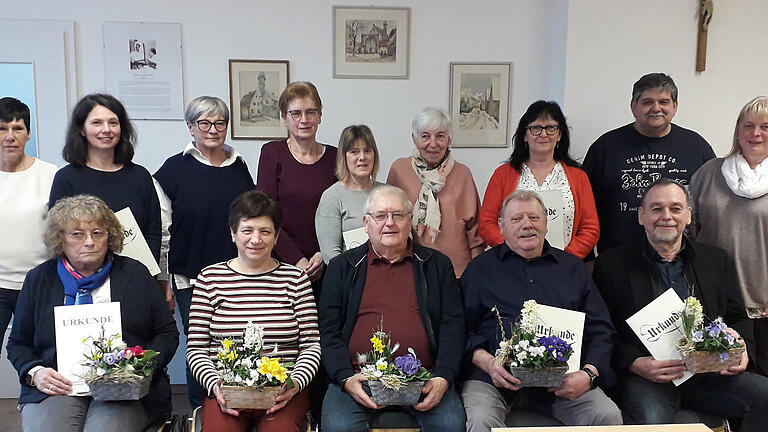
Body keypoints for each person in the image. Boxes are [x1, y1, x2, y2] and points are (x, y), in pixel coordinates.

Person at [592, 178, 768, 430]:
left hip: (708, 374)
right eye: (656, 209)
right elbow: (602, 330)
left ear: (688, 216)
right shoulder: (612, 265)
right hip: (648, 378)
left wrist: (743, 352)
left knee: (765, 396)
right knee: (653, 421)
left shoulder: (715, 260)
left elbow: (738, 317)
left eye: (676, 208)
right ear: (641, 216)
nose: (667, 216)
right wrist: (634, 363)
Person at [6, 195, 178, 431]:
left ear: (110, 237)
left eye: (98, 233)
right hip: (58, 387)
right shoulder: (39, 279)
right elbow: (18, 343)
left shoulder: (135, 274)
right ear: (60, 239)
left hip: (124, 390)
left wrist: (142, 365)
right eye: (77, 234)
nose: (89, 242)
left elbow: (167, 333)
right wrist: (36, 373)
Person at [462, 190, 621, 431]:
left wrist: (589, 374)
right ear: (501, 227)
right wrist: (487, 363)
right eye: (516, 219)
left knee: (606, 415)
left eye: (534, 218)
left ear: (546, 224)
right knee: (482, 420)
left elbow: (600, 330)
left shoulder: (573, 269)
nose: (527, 225)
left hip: (563, 381)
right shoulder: (478, 270)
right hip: (494, 379)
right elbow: (458, 329)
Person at [319, 185, 466, 432]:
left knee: (451, 424)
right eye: (380, 216)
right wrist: (345, 378)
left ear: (410, 221)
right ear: (366, 223)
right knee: (338, 427)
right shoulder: (341, 267)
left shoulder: (437, 265)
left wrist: (443, 377)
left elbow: (454, 326)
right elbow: (328, 331)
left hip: (424, 379)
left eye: (398, 215)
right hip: (359, 378)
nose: (390, 223)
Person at [186, 190, 320, 432]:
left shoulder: (296, 279)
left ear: (277, 236)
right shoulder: (209, 278)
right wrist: (216, 385)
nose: (256, 239)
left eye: (265, 231)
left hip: (283, 393)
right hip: (226, 390)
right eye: (247, 230)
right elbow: (196, 349)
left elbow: (311, 345)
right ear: (233, 233)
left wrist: (295, 384)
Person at [154, 95, 256, 409]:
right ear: (190, 127)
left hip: (238, 273)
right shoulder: (174, 168)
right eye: (204, 123)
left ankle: (237, 404)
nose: (213, 129)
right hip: (191, 276)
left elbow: (251, 218)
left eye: (220, 122)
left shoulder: (239, 165)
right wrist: (162, 277)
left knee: (237, 342)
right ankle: (202, 412)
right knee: (200, 346)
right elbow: (161, 229)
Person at [583, 72, 715, 253]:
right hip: (617, 259)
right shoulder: (604, 148)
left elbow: (710, 207)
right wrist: (587, 257)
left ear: (675, 106)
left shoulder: (697, 147)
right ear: (633, 107)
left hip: (681, 259)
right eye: (647, 102)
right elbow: (584, 210)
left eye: (664, 102)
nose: (656, 108)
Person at [690, 96, 768, 376]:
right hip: (715, 301)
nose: (755, 133)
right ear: (737, 130)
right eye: (748, 125)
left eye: (765, 126)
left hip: (763, 306)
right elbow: (687, 230)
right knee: (724, 385)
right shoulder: (710, 173)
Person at [48, 93, 161, 263]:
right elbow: (59, 235)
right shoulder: (66, 178)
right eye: (97, 123)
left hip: (136, 277)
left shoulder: (140, 176)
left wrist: (146, 273)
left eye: (113, 123)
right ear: (81, 129)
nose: (106, 130)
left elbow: (153, 232)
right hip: (84, 278)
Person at [478, 100, 598, 260]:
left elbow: (590, 228)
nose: (543, 134)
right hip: (513, 264)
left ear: (560, 134)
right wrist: (515, 250)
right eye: (535, 128)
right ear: (525, 135)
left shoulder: (578, 176)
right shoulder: (503, 174)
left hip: (563, 265)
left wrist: (566, 257)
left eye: (551, 128)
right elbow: (487, 223)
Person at [257, 81, 337, 290]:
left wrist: (323, 254)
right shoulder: (272, 153)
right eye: (295, 113)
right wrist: (298, 261)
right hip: (280, 264)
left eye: (311, 112)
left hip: (327, 263)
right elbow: (266, 214)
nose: (304, 120)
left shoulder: (336, 157)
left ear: (320, 116)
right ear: (284, 118)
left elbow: (342, 214)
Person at [387, 107, 485, 277]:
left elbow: (475, 231)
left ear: (449, 140)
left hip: (457, 271)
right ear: (414, 139)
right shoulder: (399, 170)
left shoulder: (463, 173)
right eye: (425, 136)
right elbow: (388, 220)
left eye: (440, 136)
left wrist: (476, 273)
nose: (433, 143)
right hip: (410, 269)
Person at [0, 97, 58, 356]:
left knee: (43, 353)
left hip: (40, 282)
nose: (10, 136)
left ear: (28, 133)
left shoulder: (50, 174)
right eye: (2, 128)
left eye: (17, 128)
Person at [315, 124, 384, 263]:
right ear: (343, 157)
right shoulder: (332, 197)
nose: (362, 157)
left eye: (368, 151)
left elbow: (404, 240)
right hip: (350, 278)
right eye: (354, 152)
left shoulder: (388, 193)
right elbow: (331, 256)